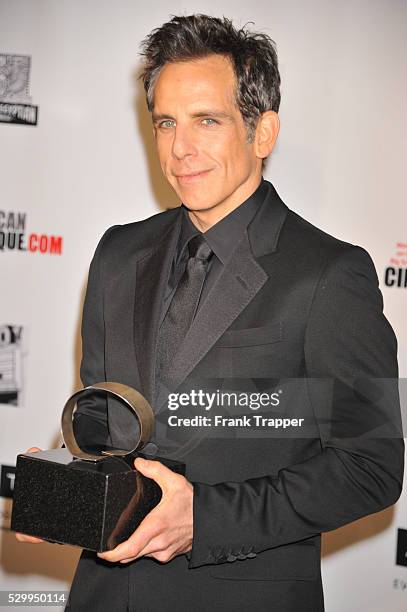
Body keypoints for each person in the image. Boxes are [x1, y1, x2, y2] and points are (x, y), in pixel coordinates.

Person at [16, 14, 404, 612]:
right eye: (166, 122)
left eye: (207, 120)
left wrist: (205, 519)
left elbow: (371, 467)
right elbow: (102, 421)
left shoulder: (330, 274)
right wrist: (67, 490)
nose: (180, 149)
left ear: (263, 131)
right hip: (104, 596)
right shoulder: (118, 252)